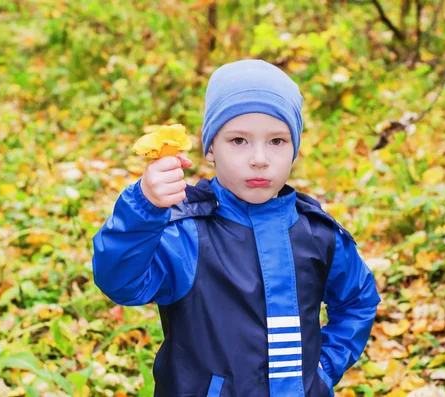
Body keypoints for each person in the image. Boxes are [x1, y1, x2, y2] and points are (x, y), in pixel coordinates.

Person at [92, 59, 380, 397]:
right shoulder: (188, 233)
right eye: (239, 141)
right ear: (211, 147)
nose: (259, 158)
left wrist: (323, 367)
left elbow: (358, 300)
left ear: (294, 149)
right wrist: (143, 207)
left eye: (277, 141)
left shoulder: (317, 234)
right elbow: (121, 283)